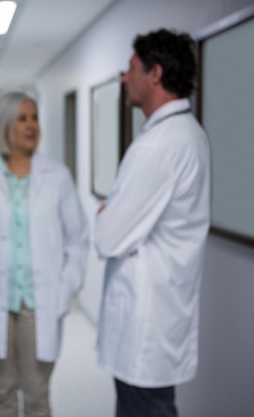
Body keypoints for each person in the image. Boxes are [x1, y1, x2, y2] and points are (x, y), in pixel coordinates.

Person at [94, 28, 211, 417]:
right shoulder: (184, 134)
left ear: (155, 74)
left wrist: (108, 213)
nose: (124, 77)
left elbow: (108, 238)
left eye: (131, 68)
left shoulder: (159, 146)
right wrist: (113, 210)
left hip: (146, 326)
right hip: (157, 316)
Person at [0, 91, 89, 417]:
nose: (31, 125)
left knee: (37, 394)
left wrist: (67, 288)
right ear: (5, 124)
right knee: (3, 392)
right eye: (22, 118)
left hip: (40, 304)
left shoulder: (58, 176)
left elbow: (78, 238)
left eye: (34, 117)